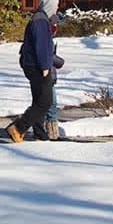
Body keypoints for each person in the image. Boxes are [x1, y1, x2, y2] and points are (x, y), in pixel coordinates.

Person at [6, 0, 60, 143]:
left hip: (33, 64)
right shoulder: (40, 21)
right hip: (37, 66)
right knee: (45, 101)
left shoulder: (41, 19)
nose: (57, 7)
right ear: (50, 5)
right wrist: (44, 66)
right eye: (56, 4)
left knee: (39, 100)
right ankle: (18, 128)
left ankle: (39, 134)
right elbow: (41, 46)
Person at [44, 13, 64, 141]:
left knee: (47, 103)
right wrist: (59, 61)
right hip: (47, 74)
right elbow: (48, 56)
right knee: (50, 103)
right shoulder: (47, 38)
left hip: (50, 73)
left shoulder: (50, 38)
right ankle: (52, 131)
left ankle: (50, 130)